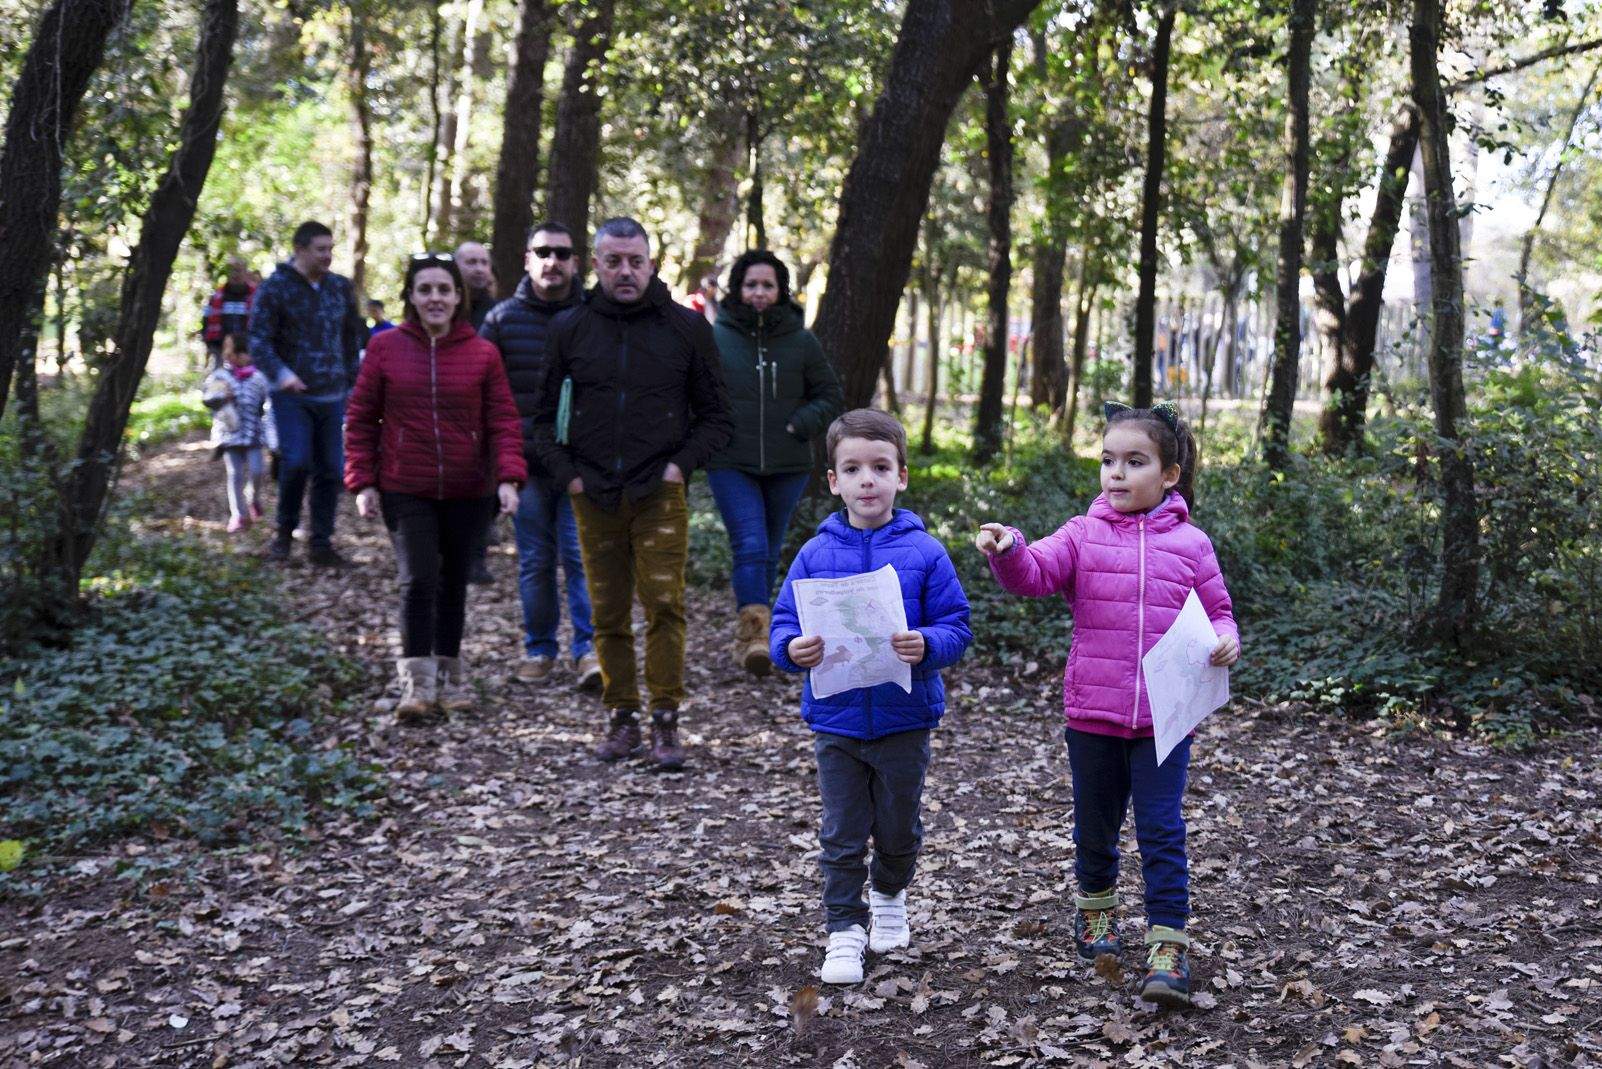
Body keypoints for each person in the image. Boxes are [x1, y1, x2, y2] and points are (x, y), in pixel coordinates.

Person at [974, 400, 1241, 1010]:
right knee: (1095, 826)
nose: (1117, 473)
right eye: (1108, 460)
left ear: (1169, 474)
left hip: (1165, 719)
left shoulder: (1193, 545)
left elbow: (1219, 611)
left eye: (1135, 461)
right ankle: (1096, 909)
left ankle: (1168, 947)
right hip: (1092, 715)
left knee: (1162, 830)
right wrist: (1008, 548)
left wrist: (1227, 640)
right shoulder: (1081, 533)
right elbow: (1034, 574)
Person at [769, 409, 972, 986]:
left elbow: (957, 625)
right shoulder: (813, 555)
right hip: (836, 722)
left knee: (899, 828)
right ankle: (843, 929)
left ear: (901, 476)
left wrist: (926, 644)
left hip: (904, 719)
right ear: (834, 481)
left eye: (880, 468)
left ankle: (887, 894)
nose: (868, 480)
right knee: (840, 831)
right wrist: (792, 650)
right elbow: (783, 624)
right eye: (853, 469)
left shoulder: (925, 552)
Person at [531, 217, 733, 770]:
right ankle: (621, 718)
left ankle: (665, 721)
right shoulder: (570, 328)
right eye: (614, 261)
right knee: (607, 611)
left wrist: (677, 469)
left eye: (635, 261)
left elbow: (717, 417)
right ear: (595, 265)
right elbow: (541, 419)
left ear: (651, 264)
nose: (625, 271)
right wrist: (570, 476)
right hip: (592, 492)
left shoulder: (686, 328)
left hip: (658, 492)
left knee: (665, 605)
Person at [344, 254, 525, 722]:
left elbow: (503, 420)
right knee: (418, 580)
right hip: (406, 486)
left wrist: (508, 478)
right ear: (411, 296)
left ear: (459, 296)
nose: (435, 298)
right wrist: (363, 481)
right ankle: (417, 683)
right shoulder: (385, 348)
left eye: (444, 289)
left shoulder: (482, 353)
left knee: (453, 583)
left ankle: (449, 675)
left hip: (470, 488)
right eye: (425, 290)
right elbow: (361, 418)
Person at [706, 250, 841, 676]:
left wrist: (800, 424)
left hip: (788, 465)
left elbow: (829, 395)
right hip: (730, 461)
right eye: (751, 285)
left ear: (781, 291)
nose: (759, 293)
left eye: (768, 285)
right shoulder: (716, 337)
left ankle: (757, 635)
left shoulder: (801, 341)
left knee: (767, 550)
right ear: (737, 289)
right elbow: (697, 393)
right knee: (750, 545)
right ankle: (754, 638)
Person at [479, 222, 600, 689]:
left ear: (576, 262)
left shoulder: (596, 315)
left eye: (562, 253)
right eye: (543, 252)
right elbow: (485, 397)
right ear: (528, 259)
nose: (553, 261)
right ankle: (539, 649)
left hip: (581, 466)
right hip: (524, 464)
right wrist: (498, 467)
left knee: (581, 557)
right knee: (534, 560)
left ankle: (588, 651)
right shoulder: (501, 320)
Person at [250, 220, 365, 567]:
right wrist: (281, 374)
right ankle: (284, 536)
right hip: (292, 396)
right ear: (300, 249)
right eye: (320, 249)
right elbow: (258, 340)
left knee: (331, 469)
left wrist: (352, 380)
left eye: (330, 249)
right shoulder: (276, 288)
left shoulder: (339, 287)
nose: (327, 256)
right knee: (296, 461)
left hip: (332, 394)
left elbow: (352, 337)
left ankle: (321, 544)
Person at [201, 331, 272, 533]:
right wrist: (222, 395)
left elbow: (268, 403)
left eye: (238, 352)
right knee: (235, 474)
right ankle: (238, 515)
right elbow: (208, 399)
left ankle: (253, 498)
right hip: (229, 434)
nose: (231, 355)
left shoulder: (258, 377)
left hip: (253, 434)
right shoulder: (219, 376)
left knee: (257, 470)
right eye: (229, 351)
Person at [200, 256, 256, 367]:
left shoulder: (257, 296)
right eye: (232, 270)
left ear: (246, 272)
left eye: (239, 270)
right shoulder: (216, 296)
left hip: (249, 351)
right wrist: (211, 345)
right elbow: (206, 321)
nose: (235, 274)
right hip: (221, 350)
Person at [454, 241, 496, 332]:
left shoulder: (499, 313)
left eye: (484, 263)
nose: (479, 269)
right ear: (456, 266)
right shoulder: (445, 309)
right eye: (471, 262)